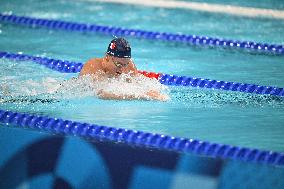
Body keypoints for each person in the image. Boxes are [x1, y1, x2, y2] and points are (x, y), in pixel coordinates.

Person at [79, 37, 169, 101]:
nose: (122, 70)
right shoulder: (93, 66)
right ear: (107, 58)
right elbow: (102, 93)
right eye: (118, 64)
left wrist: (152, 92)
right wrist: (140, 95)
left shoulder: (129, 65)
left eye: (125, 64)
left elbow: (139, 83)